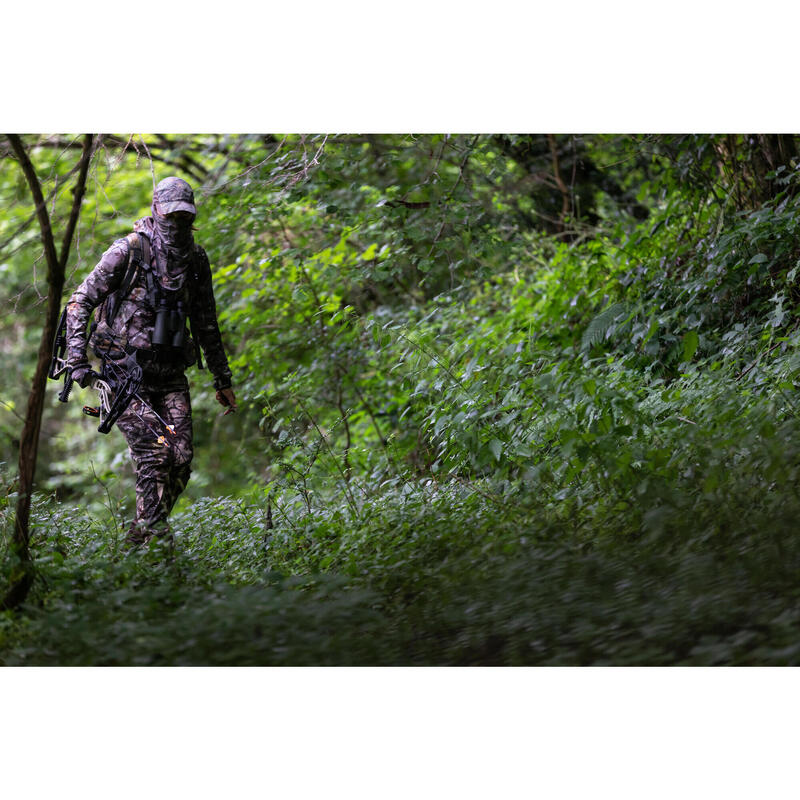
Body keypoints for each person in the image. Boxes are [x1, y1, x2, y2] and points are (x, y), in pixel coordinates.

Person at [65, 176, 236, 547]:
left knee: (181, 458)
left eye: (184, 217)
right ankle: (158, 544)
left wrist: (222, 379)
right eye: (171, 216)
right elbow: (79, 301)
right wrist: (76, 358)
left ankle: (139, 536)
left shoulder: (196, 259)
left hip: (171, 375)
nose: (177, 224)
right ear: (157, 210)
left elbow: (206, 322)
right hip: (122, 375)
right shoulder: (128, 251)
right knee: (155, 453)